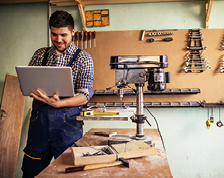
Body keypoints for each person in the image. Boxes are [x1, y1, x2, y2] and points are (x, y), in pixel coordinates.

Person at [21, 10, 94, 178]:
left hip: (67, 127)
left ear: (73, 33)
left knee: (69, 173)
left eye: (63, 35)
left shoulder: (83, 58)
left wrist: (59, 103)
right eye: (54, 34)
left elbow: (85, 95)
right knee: (32, 172)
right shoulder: (40, 55)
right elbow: (27, 84)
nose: (58, 39)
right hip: (39, 126)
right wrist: (32, 90)